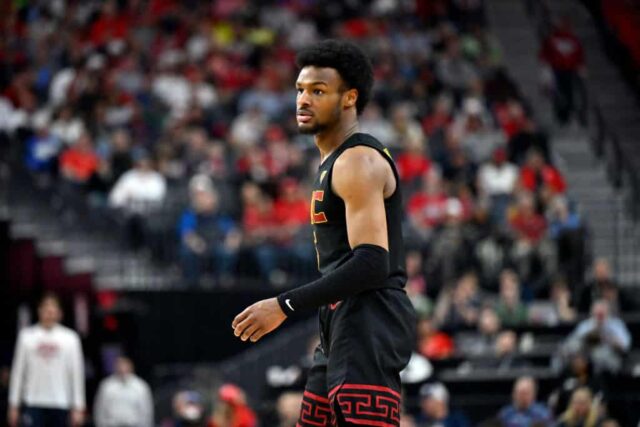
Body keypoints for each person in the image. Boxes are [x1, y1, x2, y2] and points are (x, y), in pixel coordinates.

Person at [232, 40, 416, 427]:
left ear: (349, 98)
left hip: (370, 316)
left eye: (318, 91)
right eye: (300, 89)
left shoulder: (357, 160)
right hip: (340, 318)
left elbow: (371, 262)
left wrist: (283, 306)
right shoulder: (333, 161)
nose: (303, 99)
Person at [8, 293, 85, 427]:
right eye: (46, 308)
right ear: (39, 311)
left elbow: (76, 374)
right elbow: (18, 372)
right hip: (33, 401)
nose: (49, 312)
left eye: (53, 308)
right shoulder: (26, 337)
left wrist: (78, 406)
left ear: (59, 312)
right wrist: (13, 404)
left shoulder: (70, 338)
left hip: (61, 402)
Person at [93, 356, 154, 427]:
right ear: (115, 367)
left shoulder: (140, 386)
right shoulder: (107, 386)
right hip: (112, 424)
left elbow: (146, 410)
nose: (122, 369)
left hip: (133, 424)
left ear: (131, 367)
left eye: (125, 366)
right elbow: (99, 409)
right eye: (120, 366)